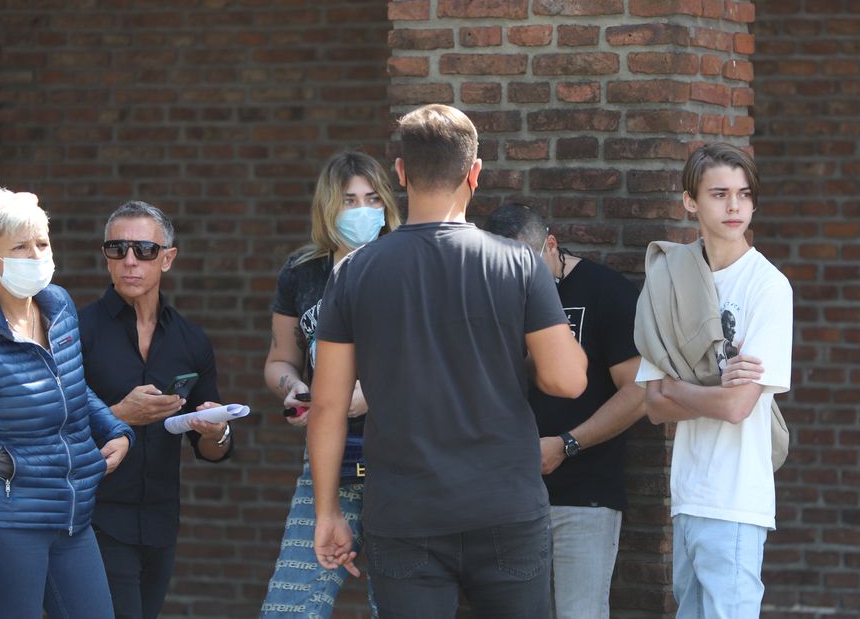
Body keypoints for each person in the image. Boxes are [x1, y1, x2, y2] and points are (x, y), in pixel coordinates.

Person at [307, 104, 588, 618]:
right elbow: (567, 380)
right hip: (504, 506)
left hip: (403, 511)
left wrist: (326, 512)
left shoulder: (353, 274)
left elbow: (327, 407)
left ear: (399, 173)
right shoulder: (520, 263)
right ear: (474, 173)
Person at [0, 185, 134, 619]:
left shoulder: (57, 307)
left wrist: (115, 429)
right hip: (6, 524)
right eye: (20, 246)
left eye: (42, 243)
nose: (36, 255)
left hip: (71, 513)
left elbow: (71, 389)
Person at [633, 142, 793, 619]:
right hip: (688, 495)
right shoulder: (668, 276)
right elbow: (653, 404)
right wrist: (717, 384)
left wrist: (683, 388)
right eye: (719, 194)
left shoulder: (767, 287)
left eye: (743, 195)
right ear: (690, 201)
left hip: (738, 498)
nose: (734, 207)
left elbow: (737, 407)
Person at [483, 203, 645, 619]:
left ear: (550, 245)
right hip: (508, 499)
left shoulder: (607, 293)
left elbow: (640, 393)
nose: (515, 282)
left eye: (524, 268)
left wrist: (567, 444)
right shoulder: (488, 294)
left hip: (583, 496)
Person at [259, 150, 401, 618]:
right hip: (327, 458)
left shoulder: (405, 263)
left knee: (398, 606)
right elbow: (281, 358)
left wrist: (370, 395)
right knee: (290, 606)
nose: (362, 211)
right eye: (348, 201)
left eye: (371, 198)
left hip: (400, 458)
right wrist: (294, 389)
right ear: (327, 208)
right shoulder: (303, 272)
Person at [79, 200, 233, 619]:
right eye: (117, 249)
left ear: (168, 258)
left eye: (144, 250)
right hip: (94, 519)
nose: (130, 261)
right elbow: (48, 427)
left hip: (161, 520)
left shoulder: (191, 341)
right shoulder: (76, 332)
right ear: (106, 256)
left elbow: (213, 451)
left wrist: (213, 431)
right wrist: (118, 415)